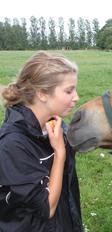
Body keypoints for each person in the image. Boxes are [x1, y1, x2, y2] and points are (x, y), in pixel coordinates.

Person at [0, 51, 83, 232]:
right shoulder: (13, 145)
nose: (76, 97)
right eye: (69, 90)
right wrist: (59, 153)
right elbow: (46, 208)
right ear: (43, 94)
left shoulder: (55, 126)